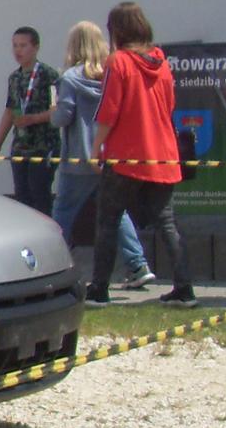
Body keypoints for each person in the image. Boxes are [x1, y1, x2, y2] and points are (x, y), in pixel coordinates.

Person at [88, 2, 194, 307]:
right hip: (162, 153)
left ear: (116, 31)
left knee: (108, 221)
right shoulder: (162, 63)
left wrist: (97, 148)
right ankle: (185, 288)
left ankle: (99, 289)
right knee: (167, 223)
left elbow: (109, 110)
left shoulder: (118, 62)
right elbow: (170, 105)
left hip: (126, 155)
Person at [51, 22, 154, 289]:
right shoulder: (111, 75)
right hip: (109, 155)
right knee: (117, 213)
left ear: (74, 46)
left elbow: (63, 118)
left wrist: (52, 109)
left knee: (62, 213)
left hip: (78, 159)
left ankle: (50, 264)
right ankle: (138, 264)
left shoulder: (70, 78)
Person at [0, 26, 60, 214]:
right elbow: (10, 111)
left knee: (40, 195)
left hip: (43, 146)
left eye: (23, 45)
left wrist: (33, 119)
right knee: (22, 196)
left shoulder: (49, 75)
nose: (18, 50)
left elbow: (57, 110)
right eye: (15, 46)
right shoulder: (14, 78)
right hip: (21, 146)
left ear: (35, 48)